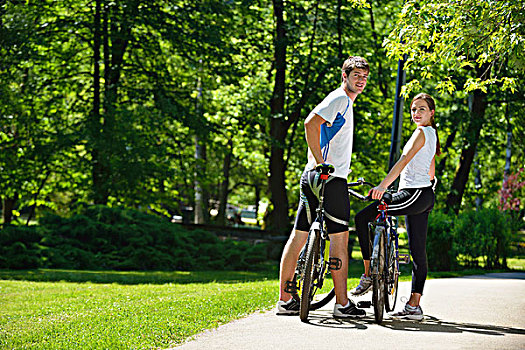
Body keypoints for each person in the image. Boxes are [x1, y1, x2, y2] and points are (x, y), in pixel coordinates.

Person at [276, 56, 369, 318]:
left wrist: (316, 165)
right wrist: (321, 162)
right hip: (330, 178)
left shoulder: (345, 103)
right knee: (340, 239)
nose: (360, 81)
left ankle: (285, 300)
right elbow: (310, 123)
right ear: (345, 76)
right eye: (356, 76)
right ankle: (342, 304)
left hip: (311, 178)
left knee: (299, 235)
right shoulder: (339, 99)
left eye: (364, 77)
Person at [351, 93, 441, 321]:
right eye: (413, 110)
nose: (416, 113)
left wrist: (382, 186)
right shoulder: (431, 133)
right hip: (423, 195)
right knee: (417, 251)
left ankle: (368, 274)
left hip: (414, 194)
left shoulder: (421, 132)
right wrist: (427, 186)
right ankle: (414, 306)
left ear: (431, 112)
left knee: (362, 218)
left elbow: (403, 161)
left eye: (422, 109)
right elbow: (431, 170)